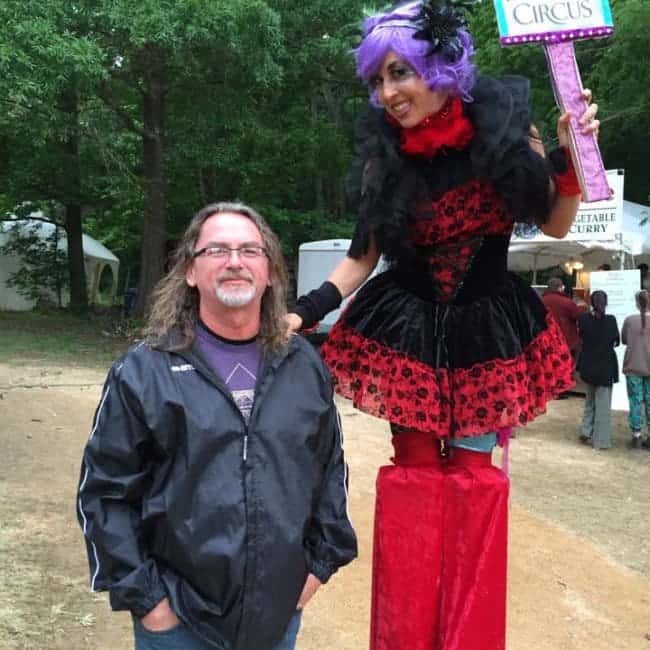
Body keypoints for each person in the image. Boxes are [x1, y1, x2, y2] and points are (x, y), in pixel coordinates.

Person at [286, 1, 599, 647]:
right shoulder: (384, 158)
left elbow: (557, 223)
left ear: (439, 66)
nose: (388, 93)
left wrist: (571, 154)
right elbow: (360, 257)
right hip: (411, 334)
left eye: (400, 73)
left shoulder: (509, 129)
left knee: (476, 483)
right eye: (377, 80)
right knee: (416, 478)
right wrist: (305, 311)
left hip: (488, 330)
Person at [77, 202, 357, 650]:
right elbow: (104, 494)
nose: (234, 262)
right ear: (190, 271)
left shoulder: (303, 365)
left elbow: (329, 473)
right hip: (179, 621)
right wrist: (150, 602)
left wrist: (317, 568)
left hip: (277, 616)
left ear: (269, 272)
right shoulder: (145, 370)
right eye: (216, 250)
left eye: (250, 250)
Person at [577, 290, 620, 449]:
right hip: (605, 366)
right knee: (602, 404)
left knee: (590, 399)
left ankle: (586, 430)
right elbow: (616, 342)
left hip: (589, 364)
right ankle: (600, 440)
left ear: (591, 303)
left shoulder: (583, 319)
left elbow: (581, 336)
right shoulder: (611, 320)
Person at [622, 290, 650, 449]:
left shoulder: (629, 320)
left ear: (636, 303)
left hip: (633, 365)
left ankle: (636, 435)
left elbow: (624, 340)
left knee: (635, 401)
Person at [541, 276, 583, 383]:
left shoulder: (541, 301)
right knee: (567, 362)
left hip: (546, 338)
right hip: (566, 338)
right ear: (560, 288)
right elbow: (579, 315)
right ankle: (563, 385)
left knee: (550, 363)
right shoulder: (566, 302)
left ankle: (552, 385)